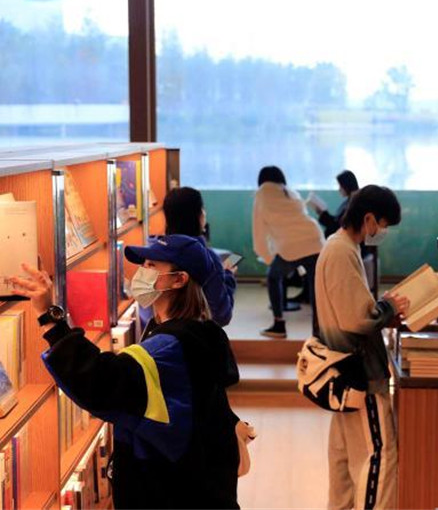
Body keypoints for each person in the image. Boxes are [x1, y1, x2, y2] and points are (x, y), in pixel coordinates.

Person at [10, 235, 241, 509]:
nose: (141, 271)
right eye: (143, 263)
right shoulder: (199, 333)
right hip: (200, 485)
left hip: (169, 490)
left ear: (179, 280)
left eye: (152, 265)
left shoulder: (167, 349)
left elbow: (99, 381)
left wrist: (50, 317)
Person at [315, 185, 410, 509]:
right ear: (368, 219)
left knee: (344, 462)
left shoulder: (339, 246)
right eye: (383, 225)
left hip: (343, 372)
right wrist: (388, 307)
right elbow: (356, 318)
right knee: (379, 457)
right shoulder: (342, 251)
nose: (382, 232)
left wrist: (382, 308)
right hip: (360, 375)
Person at [136, 187, 236, 330]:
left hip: (155, 334)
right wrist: (229, 277)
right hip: (194, 339)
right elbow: (221, 315)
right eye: (202, 209)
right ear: (199, 216)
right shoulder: (208, 258)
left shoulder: (151, 255)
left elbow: (146, 309)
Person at [253, 166, 324, 338]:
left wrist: (268, 258)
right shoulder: (290, 192)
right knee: (316, 287)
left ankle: (279, 325)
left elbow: (259, 234)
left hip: (290, 245)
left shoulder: (261, 195)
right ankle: (319, 333)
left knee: (273, 277)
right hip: (315, 240)